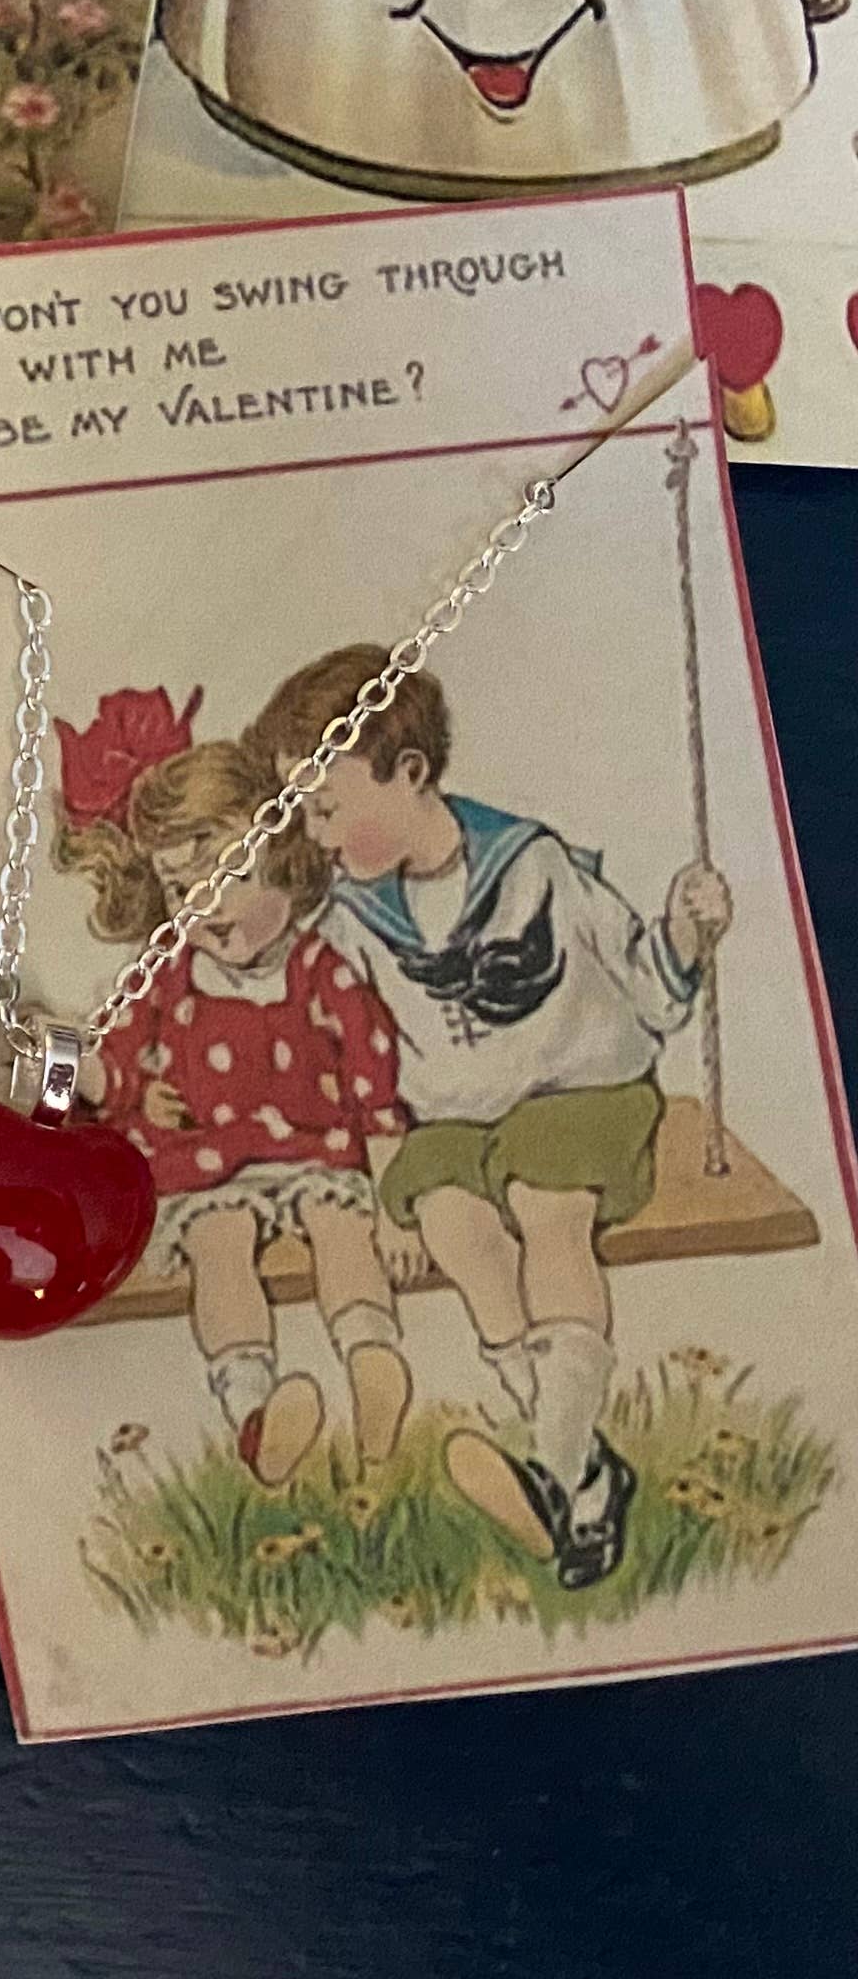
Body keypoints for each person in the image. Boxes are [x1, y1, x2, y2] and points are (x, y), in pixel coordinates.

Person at [245, 648, 733, 1590]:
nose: (316, 833)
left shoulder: (533, 865)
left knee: (545, 1204)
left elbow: (650, 986)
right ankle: (578, 1474)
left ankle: (554, 1462)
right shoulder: (353, 916)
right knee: (453, 1225)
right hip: (453, 1124)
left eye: (327, 807)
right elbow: (340, 1043)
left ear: (409, 773)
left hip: (582, 1091)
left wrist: (687, 930)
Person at [54, 696, 414, 1483]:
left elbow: (373, 1086)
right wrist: (55, 1060)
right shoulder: (167, 977)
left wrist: (393, 1207)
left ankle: (373, 1363)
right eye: (182, 890)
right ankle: (257, 1414)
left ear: (285, 862)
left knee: (343, 1232)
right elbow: (114, 1070)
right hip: (207, 1168)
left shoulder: (321, 972)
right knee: (219, 1251)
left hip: (317, 1154)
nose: (206, 908)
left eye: (229, 877)